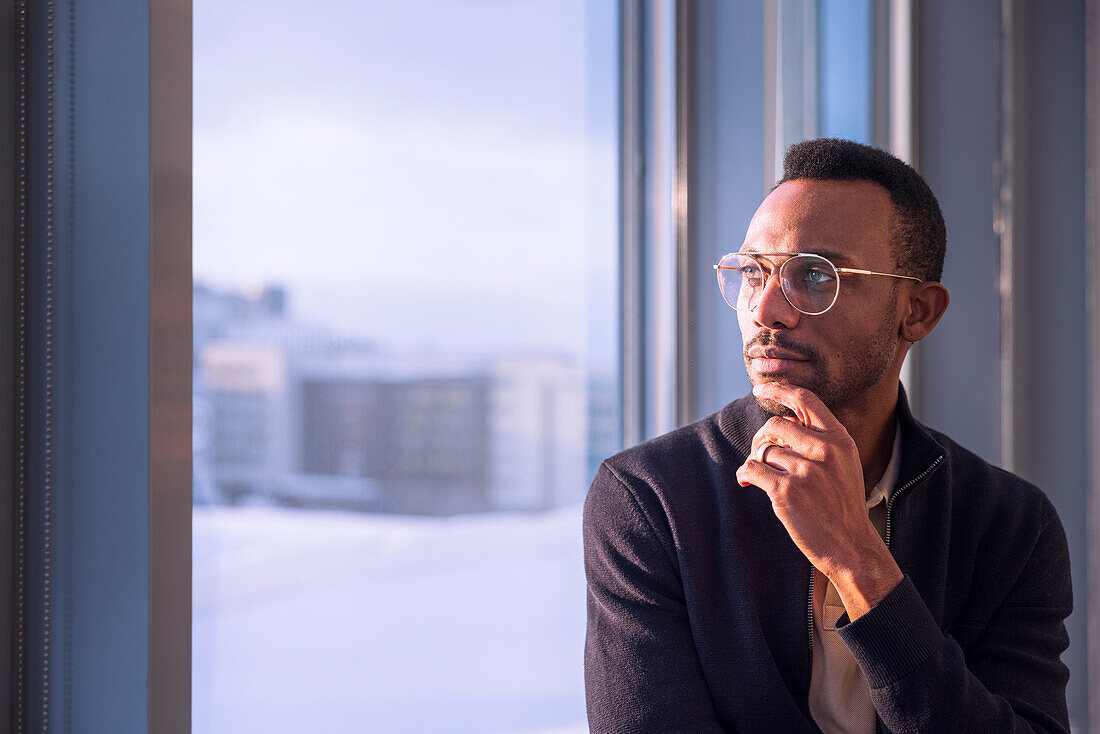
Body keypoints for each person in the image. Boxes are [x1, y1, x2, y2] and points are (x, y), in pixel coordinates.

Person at [583, 138, 1072, 733]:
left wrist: (858, 561)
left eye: (814, 277)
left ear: (916, 311)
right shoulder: (651, 499)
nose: (766, 311)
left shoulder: (1010, 524)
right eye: (754, 273)